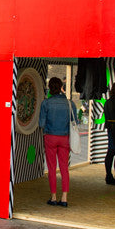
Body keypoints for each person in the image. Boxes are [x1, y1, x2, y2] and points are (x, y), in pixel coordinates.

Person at [39, 76, 74, 207]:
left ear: (50, 88)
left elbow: (41, 123)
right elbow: (74, 120)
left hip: (50, 137)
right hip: (64, 137)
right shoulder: (70, 103)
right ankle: (64, 198)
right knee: (64, 168)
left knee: (52, 168)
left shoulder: (46, 103)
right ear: (61, 88)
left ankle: (53, 196)